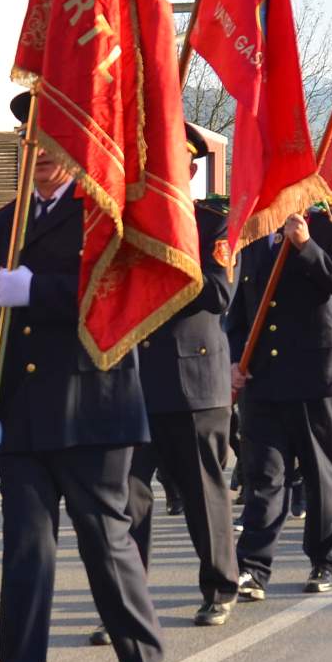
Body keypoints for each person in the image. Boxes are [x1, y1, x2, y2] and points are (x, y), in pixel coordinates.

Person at [0, 96, 166, 662]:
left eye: (51, 134)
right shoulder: (5, 223)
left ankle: (143, 656)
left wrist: (39, 292)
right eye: (30, 134)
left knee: (104, 541)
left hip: (94, 404)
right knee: (26, 556)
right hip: (23, 412)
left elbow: (118, 295)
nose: (40, 148)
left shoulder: (105, 210)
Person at [125, 125, 237, 627]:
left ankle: (220, 586)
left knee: (202, 494)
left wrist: (166, 265)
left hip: (194, 381)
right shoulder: (130, 222)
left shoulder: (213, 222)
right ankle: (126, 601)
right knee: (126, 498)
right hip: (134, 381)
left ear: (190, 170)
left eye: (170, 165)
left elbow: (218, 293)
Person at [228, 202, 332, 596]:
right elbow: (241, 307)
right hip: (262, 376)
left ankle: (324, 559)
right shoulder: (254, 230)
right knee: (264, 476)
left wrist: (306, 246)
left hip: (313, 376)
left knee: (319, 474)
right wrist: (235, 359)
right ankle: (253, 566)